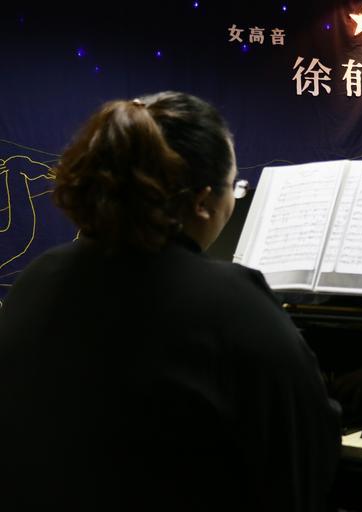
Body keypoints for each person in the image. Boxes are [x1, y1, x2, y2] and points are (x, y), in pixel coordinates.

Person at [0, 92, 340, 511]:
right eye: (235, 188)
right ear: (202, 201)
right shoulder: (231, 303)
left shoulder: (38, 278)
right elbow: (303, 465)